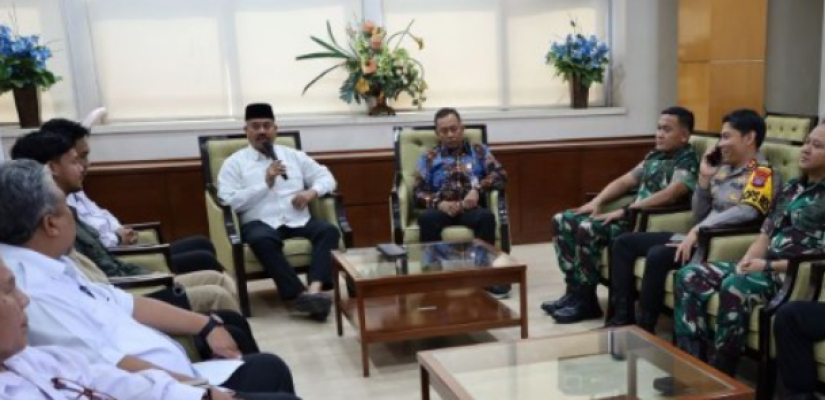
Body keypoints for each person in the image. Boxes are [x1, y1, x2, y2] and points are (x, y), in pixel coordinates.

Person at [0, 159, 298, 397]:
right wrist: (202, 391)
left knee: (262, 362)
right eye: (68, 211)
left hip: (174, 378)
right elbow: (110, 372)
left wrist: (206, 325)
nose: (74, 219)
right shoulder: (32, 290)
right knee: (269, 371)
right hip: (166, 388)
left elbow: (124, 302)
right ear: (50, 224)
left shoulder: (54, 263)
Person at [0, 255, 295, 400]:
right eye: (9, 290)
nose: (24, 300)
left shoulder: (29, 359)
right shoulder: (38, 288)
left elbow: (113, 380)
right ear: (50, 223)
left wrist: (204, 394)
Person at [11, 129, 240, 314]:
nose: (83, 166)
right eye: (75, 161)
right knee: (215, 292)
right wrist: (154, 278)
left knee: (216, 280)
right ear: (52, 168)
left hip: (125, 282)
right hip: (124, 293)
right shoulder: (51, 226)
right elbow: (100, 282)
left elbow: (104, 258)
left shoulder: (68, 207)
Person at [606, 109, 780, 332]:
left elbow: (747, 212)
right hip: (695, 236)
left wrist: (699, 230)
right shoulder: (723, 168)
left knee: (658, 254)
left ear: (749, 138)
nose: (720, 144)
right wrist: (704, 179)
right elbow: (699, 213)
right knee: (624, 242)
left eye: (726, 137)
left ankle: (644, 327)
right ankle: (621, 318)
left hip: (715, 242)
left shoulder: (763, 173)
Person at [673, 123, 825, 377]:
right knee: (688, 275)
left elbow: (817, 259)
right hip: (763, 267)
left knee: (736, 285)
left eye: (817, 145)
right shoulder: (792, 188)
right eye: (806, 142)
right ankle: (692, 365)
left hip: (793, 275)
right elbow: (765, 235)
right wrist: (746, 262)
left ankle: (722, 372)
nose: (806, 149)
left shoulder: (766, 174)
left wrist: (765, 266)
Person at [544, 106, 699, 324]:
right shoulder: (654, 155)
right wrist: (597, 202)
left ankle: (586, 300)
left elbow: (672, 193)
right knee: (563, 220)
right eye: (658, 128)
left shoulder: (687, 160)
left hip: (643, 221)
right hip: (629, 213)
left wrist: (627, 210)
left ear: (684, 135)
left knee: (588, 228)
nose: (659, 134)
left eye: (667, 130)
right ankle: (575, 291)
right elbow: (625, 181)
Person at [43, 116, 225, 275]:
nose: (85, 164)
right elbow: (95, 243)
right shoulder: (58, 204)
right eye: (78, 158)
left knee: (202, 243)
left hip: (122, 249)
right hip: (118, 259)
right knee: (203, 259)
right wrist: (118, 237)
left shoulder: (75, 190)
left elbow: (102, 215)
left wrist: (119, 230)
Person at [218, 103, 340, 321]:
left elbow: (327, 177)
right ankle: (299, 295)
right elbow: (229, 201)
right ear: (246, 130)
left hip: (297, 219)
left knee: (328, 230)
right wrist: (265, 183)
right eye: (255, 126)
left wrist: (312, 192)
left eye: (267, 126)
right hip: (259, 222)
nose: (262, 131)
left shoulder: (294, 156)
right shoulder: (234, 163)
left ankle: (314, 290)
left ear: (275, 129)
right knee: (262, 240)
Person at [412, 108, 509, 297]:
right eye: (444, 131)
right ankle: (435, 278)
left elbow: (501, 175)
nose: (450, 134)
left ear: (462, 128)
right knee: (426, 219)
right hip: (442, 209)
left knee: (486, 218)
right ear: (437, 133)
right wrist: (438, 203)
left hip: (469, 208)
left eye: (453, 129)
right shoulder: (429, 157)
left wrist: (477, 189)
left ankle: (486, 277)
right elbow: (417, 191)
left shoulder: (478, 151)